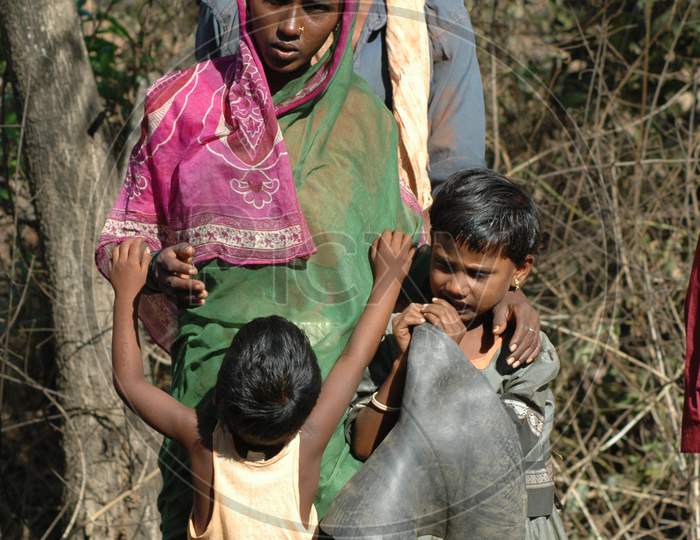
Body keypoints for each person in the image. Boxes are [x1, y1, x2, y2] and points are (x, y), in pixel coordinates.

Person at [96, 0, 540, 537]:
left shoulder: (368, 125)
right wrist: (161, 268)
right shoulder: (179, 107)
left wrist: (506, 294)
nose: (289, 27)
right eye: (273, 2)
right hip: (215, 391)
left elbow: (418, 257)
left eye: (316, 8)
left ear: (345, 14)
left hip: (331, 403)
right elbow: (127, 239)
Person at [108, 232, 414, 539]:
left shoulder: (204, 444)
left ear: (219, 398)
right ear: (307, 405)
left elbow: (130, 383)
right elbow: (353, 357)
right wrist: (389, 278)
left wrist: (126, 292)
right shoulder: (307, 444)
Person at [348, 169, 568, 539]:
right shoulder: (403, 332)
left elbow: (494, 458)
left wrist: (446, 366)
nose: (455, 287)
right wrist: (405, 363)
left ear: (521, 271)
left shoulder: (522, 351)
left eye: (478, 275)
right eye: (443, 265)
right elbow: (364, 445)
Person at [194, 0, 486, 194]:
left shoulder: (433, 13)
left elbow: (455, 170)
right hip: (260, 221)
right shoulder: (232, 9)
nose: (290, 27)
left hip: (391, 243)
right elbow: (205, 142)